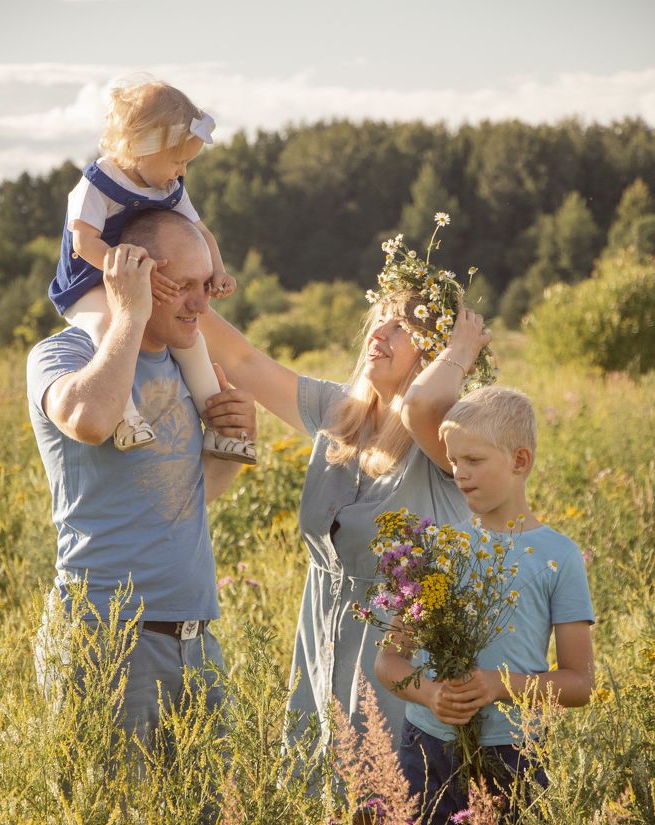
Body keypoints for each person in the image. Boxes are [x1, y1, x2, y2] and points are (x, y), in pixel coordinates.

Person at [198, 278, 492, 748]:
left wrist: (460, 353)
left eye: (401, 327)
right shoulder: (336, 411)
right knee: (318, 802)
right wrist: (183, 295)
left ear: (435, 350)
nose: (379, 334)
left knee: (391, 804)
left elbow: (419, 404)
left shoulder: (446, 435)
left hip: (399, 665)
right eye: (378, 321)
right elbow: (243, 361)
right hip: (321, 643)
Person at [28, 210, 257, 745]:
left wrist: (230, 441)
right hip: (105, 636)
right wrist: (130, 315)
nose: (201, 304)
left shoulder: (187, 366)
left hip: (195, 636)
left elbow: (187, 495)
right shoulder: (63, 354)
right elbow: (89, 421)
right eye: (182, 286)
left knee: (207, 824)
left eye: (206, 285)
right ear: (130, 274)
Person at [375, 385, 595, 825]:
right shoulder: (433, 550)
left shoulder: (559, 557)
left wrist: (500, 684)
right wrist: (431, 695)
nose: (459, 472)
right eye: (454, 460)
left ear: (519, 460)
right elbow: (388, 663)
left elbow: (580, 683)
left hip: (514, 757)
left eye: (474, 459)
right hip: (428, 752)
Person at [49, 77, 255, 464]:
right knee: (108, 326)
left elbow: (201, 232)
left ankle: (220, 426)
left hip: (142, 275)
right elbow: (84, 243)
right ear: (142, 148)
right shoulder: (96, 185)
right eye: (177, 161)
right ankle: (126, 418)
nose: (181, 173)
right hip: (89, 279)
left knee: (193, 343)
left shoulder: (167, 187)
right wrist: (129, 274)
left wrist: (218, 271)